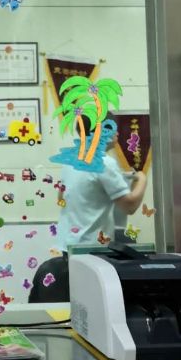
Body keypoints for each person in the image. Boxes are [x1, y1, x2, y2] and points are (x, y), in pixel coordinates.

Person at [29, 114, 147, 302]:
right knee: (93, 304)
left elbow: (62, 196)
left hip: (70, 247)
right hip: (92, 249)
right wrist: (141, 179)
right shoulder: (105, 163)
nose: (117, 133)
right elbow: (129, 206)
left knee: (78, 301)